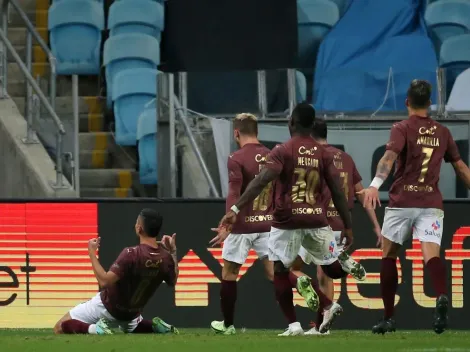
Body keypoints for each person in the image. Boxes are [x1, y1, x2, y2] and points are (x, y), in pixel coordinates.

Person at [216, 103, 366, 336]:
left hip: (282, 221)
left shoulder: (279, 151)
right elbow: (337, 191)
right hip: (312, 219)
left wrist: (234, 210)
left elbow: (256, 183)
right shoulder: (322, 153)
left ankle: (284, 326)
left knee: (273, 271)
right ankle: (341, 267)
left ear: (291, 123)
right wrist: (347, 225)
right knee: (330, 270)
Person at [358, 80, 470, 335]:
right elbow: (461, 168)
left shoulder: (402, 128)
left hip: (402, 202)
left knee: (388, 255)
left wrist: (375, 184)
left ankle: (388, 318)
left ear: (407, 102)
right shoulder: (443, 132)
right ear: (430, 104)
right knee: (431, 255)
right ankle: (441, 294)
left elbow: (388, 158)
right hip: (431, 202)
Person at [291, 118, 382, 335]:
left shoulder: (312, 157)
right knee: (325, 275)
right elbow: (362, 195)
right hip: (340, 222)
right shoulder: (345, 159)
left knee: (290, 267)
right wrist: (376, 226)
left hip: (317, 222)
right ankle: (321, 326)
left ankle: (319, 321)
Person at [53, 208, 179, 335]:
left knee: (59, 327)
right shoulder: (165, 257)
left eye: (137, 222)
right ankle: (154, 327)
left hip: (108, 307)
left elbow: (104, 282)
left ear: (139, 228)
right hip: (131, 314)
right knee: (130, 326)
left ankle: (95, 329)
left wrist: (91, 252)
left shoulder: (131, 253)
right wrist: (173, 253)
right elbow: (172, 281)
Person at [209, 113, 274, 335]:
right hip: (268, 223)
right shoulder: (272, 155)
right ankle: (320, 300)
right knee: (276, 274)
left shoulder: (235, 158)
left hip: (243, 225)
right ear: (257, 132)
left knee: (229, 273)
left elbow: (234, 192)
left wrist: (228, 223)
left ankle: (227, 325)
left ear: (236, 133)